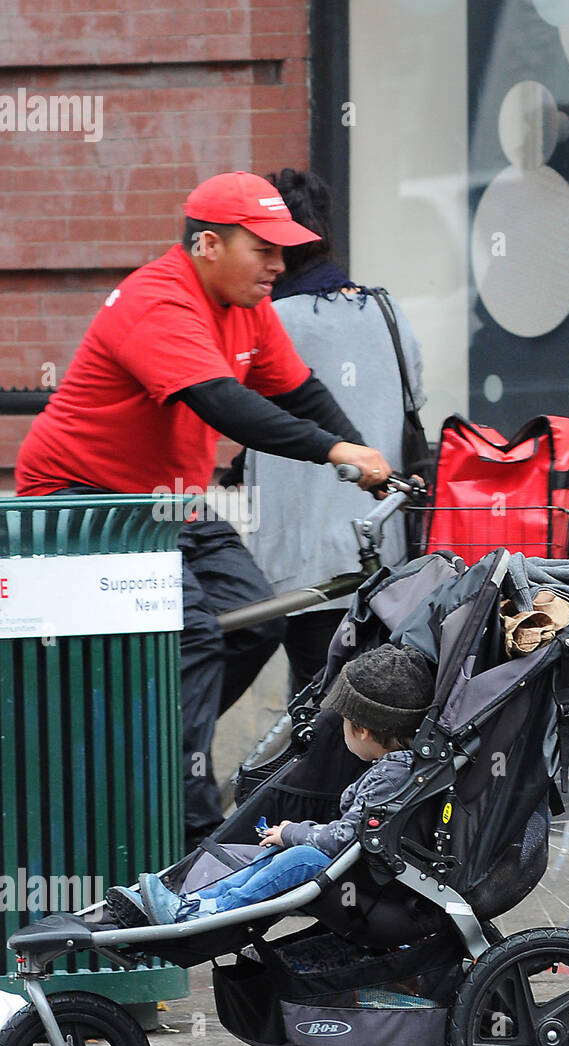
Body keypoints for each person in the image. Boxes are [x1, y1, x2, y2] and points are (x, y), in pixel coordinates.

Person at [14, 172, 393, 849]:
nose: (280, 265)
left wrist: (364, 456)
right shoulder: (160, 302)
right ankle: (185, 818)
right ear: (209, 244)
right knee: (191, 631)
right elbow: (225, 404)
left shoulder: (247, 305)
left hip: (167, 502)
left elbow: (298, 392)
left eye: (285, 252)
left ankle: (143, 745)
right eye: (266, 250)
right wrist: (336, 449)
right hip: (83, 499)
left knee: (254, 619)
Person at [242, 168, 425, 697]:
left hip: (301, 566)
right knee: (367, 712)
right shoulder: (389, 313)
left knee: (316, 706)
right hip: (382, 555)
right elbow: (411, 405)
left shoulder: (265, 321)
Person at [105, 644, 433, 926]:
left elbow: (345, 838)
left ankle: (205, 911)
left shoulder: (390, 777)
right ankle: (191, 901)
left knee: (301, 856)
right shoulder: (400, 770)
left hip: (370, 884)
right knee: (283, 851)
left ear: (361, 729)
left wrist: (292, 831)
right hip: (364, 874)